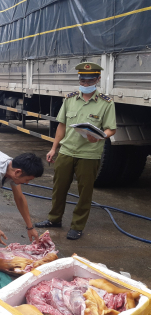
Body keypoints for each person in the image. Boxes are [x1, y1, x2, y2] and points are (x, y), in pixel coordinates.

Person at [35, 62, 117, 240]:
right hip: (67, 151)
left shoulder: (106, 103)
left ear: (97, 79)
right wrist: (54, 148)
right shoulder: (70, 99)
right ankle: (54, 219)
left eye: (90, 81)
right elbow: (62, 125)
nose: (85, 84)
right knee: (59, 188)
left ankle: (77, 226)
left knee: (84, 192)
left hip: (89, 154)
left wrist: (101, 136)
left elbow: (112, 129)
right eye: (82, 80)